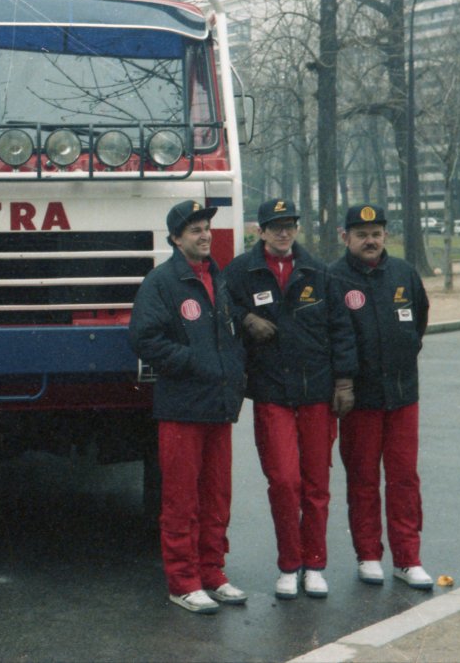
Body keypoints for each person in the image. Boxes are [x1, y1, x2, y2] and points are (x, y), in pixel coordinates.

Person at [224, 198, 356, 600]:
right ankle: (289, 564)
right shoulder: (242, 272)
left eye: (290, 225)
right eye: (275, 226)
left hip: (316, 392)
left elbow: (341, 329)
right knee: (283, 481)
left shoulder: (319, 272)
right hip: (272, 393)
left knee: (316, 483)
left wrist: (344, 382)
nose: (284, 232)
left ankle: (314, 565)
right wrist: (245, 317)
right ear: (260, 231)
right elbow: (219, 303)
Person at [128, 200, 248, 614]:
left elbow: (232, 337)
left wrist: (232, 371)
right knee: (181, 500)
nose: (204, 235)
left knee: (217, 497)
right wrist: (195, 363)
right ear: (176, 238)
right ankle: (183, 581)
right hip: (181, 408)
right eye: (194, 229)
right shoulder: (161, 283)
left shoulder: (220, 279)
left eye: (207, 228)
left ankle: (213, 574)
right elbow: (145, 339)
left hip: (218, 406)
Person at [330, 204, 434, 590]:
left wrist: (403, 352)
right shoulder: (334, 278)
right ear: (346, 238)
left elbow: (419, 320)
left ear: (385, 235)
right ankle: (368, 555)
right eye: (361, 234)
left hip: (404, 395)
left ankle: (408, 559)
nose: (370, 240)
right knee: (362, 479)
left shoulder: (404, 273)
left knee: (404, 478)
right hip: (360, 400)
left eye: (376, 233)